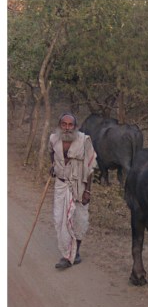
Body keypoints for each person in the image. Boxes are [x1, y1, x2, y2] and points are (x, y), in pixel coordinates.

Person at [49, 112, 97, 269]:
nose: (67, 128)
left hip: (79, 186)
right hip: (61, 185)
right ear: (60, 125)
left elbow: (91, 167)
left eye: (70, 125)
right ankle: (67, 252)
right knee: (60, 220)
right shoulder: (54, 139)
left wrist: (87, 191)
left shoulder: (84, 140)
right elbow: (52, 155)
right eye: (64, 124)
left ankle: (73, 255)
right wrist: (53, 167)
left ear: (75, 127)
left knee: (79, 219)